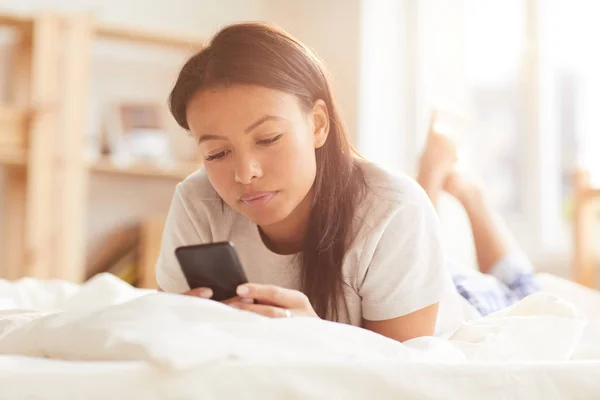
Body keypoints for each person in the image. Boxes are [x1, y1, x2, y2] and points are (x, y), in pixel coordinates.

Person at [156, 22, 467, 342]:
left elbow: (397, 375)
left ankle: (447, 178)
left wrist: (315, 338)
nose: (245, 173)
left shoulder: (396, 208)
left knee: (514, 281)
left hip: (467, 297)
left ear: (318, 124)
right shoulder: (197, 200)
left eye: (268, 138)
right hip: (406, 267)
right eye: (217, 153)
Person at [416, 130, 540, 317]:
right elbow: (422, 273)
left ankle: (466, 193)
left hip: (477, 293)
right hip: (504, 307)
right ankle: (466, 193)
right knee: (526, 295)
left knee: (524, 290)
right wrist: (429, 175)